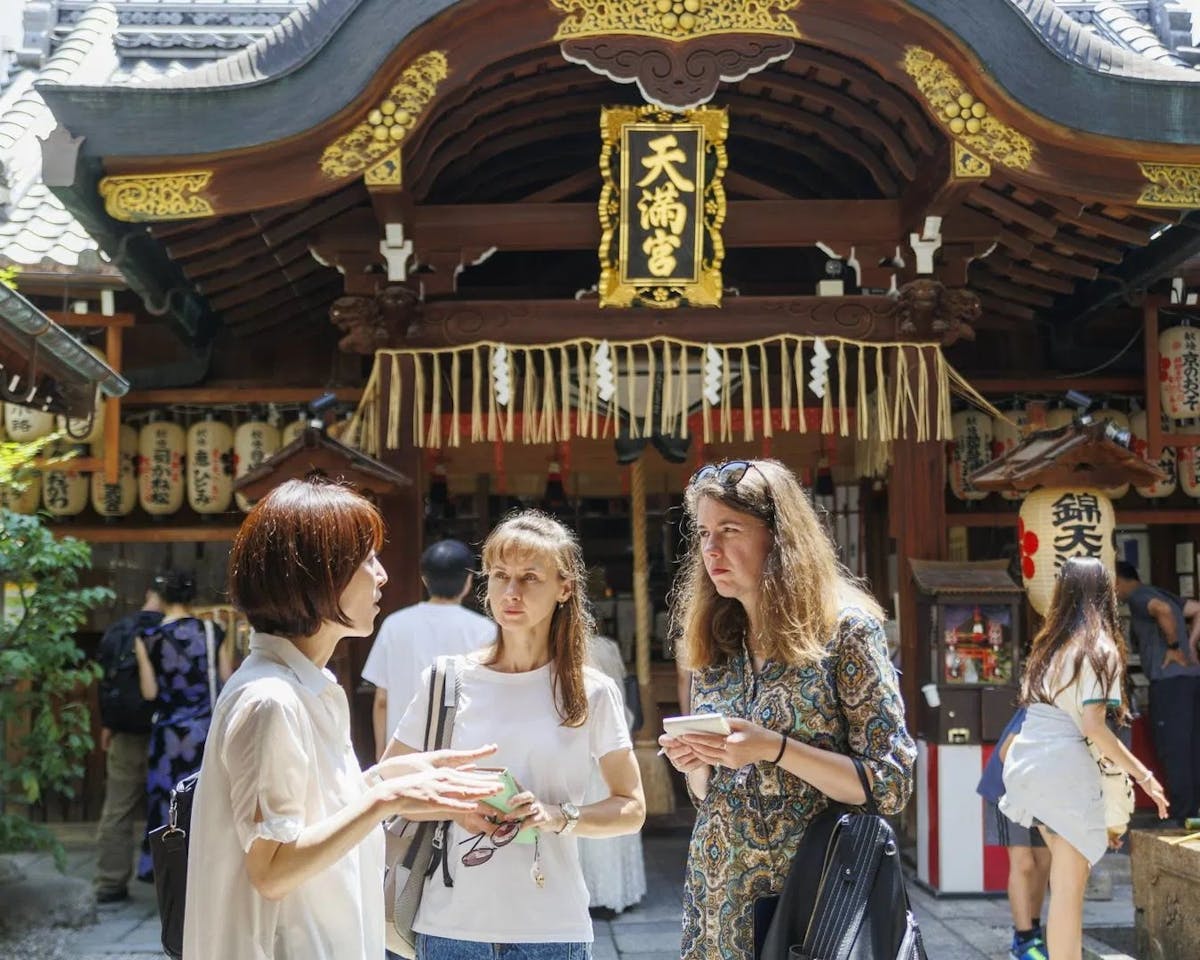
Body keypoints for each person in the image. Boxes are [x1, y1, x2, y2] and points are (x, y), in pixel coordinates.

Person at [182, 477, 502, 960]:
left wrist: (386, 781)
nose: (382, 576)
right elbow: (271, 869)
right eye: (367, 560)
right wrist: (385, 797)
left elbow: (313, 818)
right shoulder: (271, 699)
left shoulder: (305, 687)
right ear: (319, 574)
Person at [658, 459, 916, 960]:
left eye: (730, 530)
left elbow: (890, 782)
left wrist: (774, 748)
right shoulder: (716, 638)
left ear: (778, 537)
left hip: (814, 898)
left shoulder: (845, 631)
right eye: (704, 533)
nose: (711, 549)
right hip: (719, 897)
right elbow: (709, 793)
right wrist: (696, 763)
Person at [383, 510, 647, 959]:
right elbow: (388, 785)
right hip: (451, 926)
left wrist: (556, 815)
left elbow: (631, 808)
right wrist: (458, 808)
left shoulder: (590, 691)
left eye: (529, 578)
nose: (511, 592)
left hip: (553, 928)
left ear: (565, 588)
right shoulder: (447, 681)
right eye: (500, 575)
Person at [1002, 557, 1170, 960]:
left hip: (1027, 765)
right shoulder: (1098, 648)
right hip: (1063, 770)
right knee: (1068, 891)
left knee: (1065, 885)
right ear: (1106, 595)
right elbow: (1094, 727)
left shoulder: (1049, 646)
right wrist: (1144, 776)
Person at [131, 570, 231, 881]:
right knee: (206, 799)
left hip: (169, 735)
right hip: (204, 731)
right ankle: (208, 868)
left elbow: (150, 692)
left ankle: (167, 871)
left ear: (162, 598)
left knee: (167, 801)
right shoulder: (214, 631)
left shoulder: (147, 638)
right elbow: (227, 681)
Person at [363, 538, 495, 760]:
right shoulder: (484, 630)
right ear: (468, 581)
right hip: (460, 755)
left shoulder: (394, 624)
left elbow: (382, 700)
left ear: (424, 579)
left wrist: (381, 755)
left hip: (403, 756)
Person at [92, 583, 165, 903]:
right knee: (173, 808)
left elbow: (106, 680)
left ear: (147, 593)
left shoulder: (119, 630)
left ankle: (111, 882)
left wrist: (107, 723)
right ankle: (171, 883)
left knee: (118, 809)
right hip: (169, 734)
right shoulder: (174, 632)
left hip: (125, 732)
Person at [1114, 560, 1200, 824]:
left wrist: (1175, 647)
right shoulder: (1161, 592)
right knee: (1192, 747)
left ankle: (1181, 814)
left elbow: (1161, 610)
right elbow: (1197, 609)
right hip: (1190, 680)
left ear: (1118, 580)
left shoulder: (1139, 597)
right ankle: (1192, 812)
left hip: (1170, 684)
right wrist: (1191, 645)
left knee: (1174, 748)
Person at [578, 634, 647, 916]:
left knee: (593, 823)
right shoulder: (610, 646)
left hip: (588, 744)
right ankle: (620, 892)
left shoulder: (576, 648)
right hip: (614, 739)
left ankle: (598, 894)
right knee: (616, 821)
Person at [976, 706, 1050, 960]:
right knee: (1024, 863)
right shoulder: (1039, 707)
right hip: (1008, 790)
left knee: (1044, 862)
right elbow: (1007, 752)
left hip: (1041, 793)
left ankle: (1034, 930)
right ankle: (1023, 940)